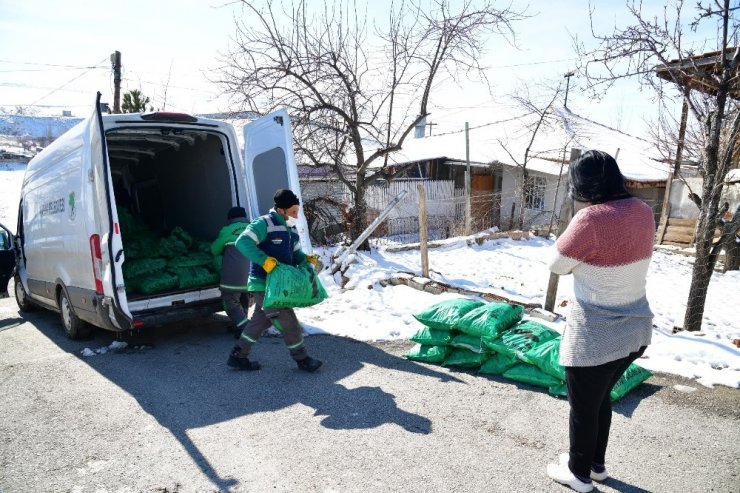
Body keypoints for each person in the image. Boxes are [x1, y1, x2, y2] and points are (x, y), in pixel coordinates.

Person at [546, 150, 655, 493]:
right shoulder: (643, 210)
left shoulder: (590, 218)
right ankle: (595, 465)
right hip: (634, 330)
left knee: (583, 407)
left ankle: (578, 475)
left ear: (583, 184)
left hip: (595, 335)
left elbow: (557, 264)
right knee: (600, 399)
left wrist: (581, 221)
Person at [227, 189, 322, 372]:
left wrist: (305, 259)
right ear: (281, 210)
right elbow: (242, 242)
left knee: (259, 321)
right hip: (265, 285)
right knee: (287, 319)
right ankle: (302, 359)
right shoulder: (263, 223)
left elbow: (295, 254)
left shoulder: (290, 229)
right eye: (293, 211)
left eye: (297, 211)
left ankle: (238, 355)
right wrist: (264, 260)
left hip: (279, 285)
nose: (296, 215)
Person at [211, 206, 251, 338]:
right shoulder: (254, 228)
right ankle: (238, 326)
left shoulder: (227, 230)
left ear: (230, 218)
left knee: (230, 301)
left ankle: (246, 329)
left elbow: (215, 250)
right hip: (254, 275)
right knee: (244, 299)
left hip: (235, 275)